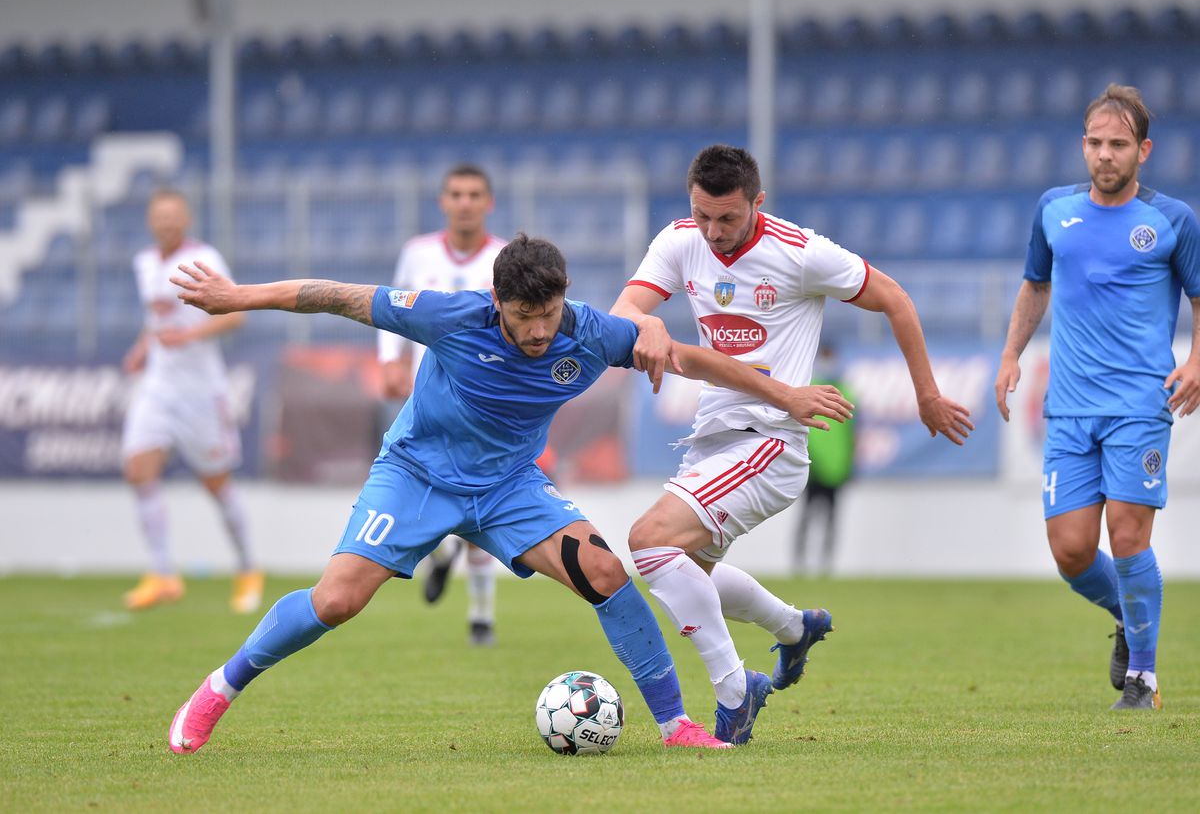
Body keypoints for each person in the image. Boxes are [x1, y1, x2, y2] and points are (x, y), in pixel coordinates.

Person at [165, 233, 853, 754]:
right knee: (337, 601)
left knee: (607, 573)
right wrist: (236, 296)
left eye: (548, 313)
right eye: (525, 315)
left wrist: (785, 394)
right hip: (418, 475)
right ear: (497, 302)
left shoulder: (590, 333)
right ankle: (219, 688)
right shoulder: (450, 316)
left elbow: (689, 358)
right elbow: (336, 295)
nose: (539, 331)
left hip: (509, 487)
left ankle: (676, 726)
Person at [611, 144, 973, 744]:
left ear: (758, 202)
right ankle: (794, 628)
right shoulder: (679, 241)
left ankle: (736, 691)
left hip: (771, 441)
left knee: (649, 541)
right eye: (702, 215)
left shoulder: (800, 253)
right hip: (714, 435)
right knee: (688, 576)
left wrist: (927, 395)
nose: (713, 231)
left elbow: (896, 300)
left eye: (728, 218)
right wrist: (646, 321)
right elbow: (625, 309)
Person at [994, 84, 1200, 711]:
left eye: (1118, 144)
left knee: (1127, 535)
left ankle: (1143, 679)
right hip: (1068, 406)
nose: (1105, 154)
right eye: (1095, 143)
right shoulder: (1054, 210)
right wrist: (1010, 354)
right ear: (1082, 145)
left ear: (1143, 151)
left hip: (1140, 404)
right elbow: (1035, 285)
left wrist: (1197, 360)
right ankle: (1129, 617)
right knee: (1072, 551)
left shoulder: (1173, 220)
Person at [377, 163, 507, 646]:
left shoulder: (504, 257)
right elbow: (393, 306)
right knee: (427, 503)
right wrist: (389, 360)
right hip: (426, 403)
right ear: (443, 201)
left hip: (484, 403)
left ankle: (481, 618)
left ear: (489, 202)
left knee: (482, 505)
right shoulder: (418, 253)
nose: (465, 203)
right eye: (456, 194)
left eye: (474, 194)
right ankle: (442, 549)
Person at [119, 189, 263, 614]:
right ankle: (164, 573)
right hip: (157, 386)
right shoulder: (145, 262)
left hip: (200, 392)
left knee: (215, 483)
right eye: (159, 216)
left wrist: (189, 336)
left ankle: (248, 568)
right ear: (150, 221)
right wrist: (142, 347)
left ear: (187, 219)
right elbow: (156, 318)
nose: (167, 223)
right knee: (138, 469)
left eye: (174, 216)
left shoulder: (205, 258)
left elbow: (236, 314)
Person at [792, 343, 854, 576]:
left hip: (836, 469)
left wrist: (850, 465)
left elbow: (851, 434)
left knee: (830, 520)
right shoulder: (810, 390)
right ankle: (799, 564)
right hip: (813, 467)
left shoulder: (847, 393)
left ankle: (825, 565)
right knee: (807, 517)